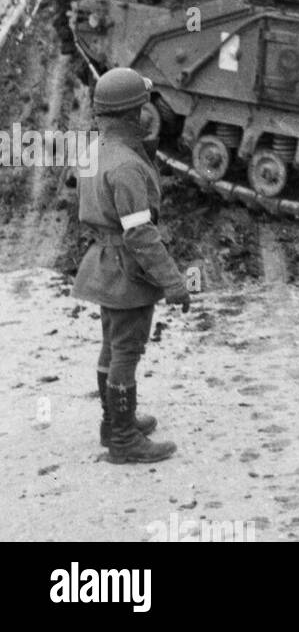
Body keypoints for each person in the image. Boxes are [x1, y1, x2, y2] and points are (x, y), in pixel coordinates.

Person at [73, 68, 191, 464]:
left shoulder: (95, 151)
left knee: (112, 347)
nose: (147, 113)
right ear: (130, 115)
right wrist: (173, 282)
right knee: (127, 351)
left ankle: (114, 424)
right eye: (142, 107)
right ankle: (123, 440)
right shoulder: (126, 165)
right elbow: (140, 234)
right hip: (128, 268)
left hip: (104, 263)